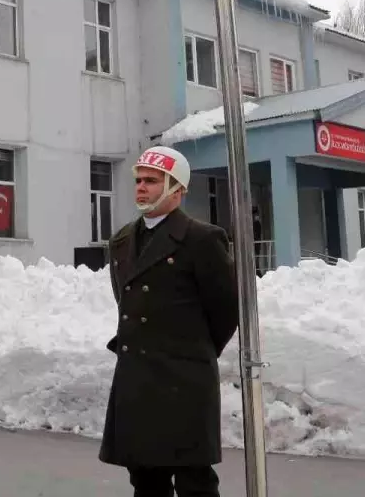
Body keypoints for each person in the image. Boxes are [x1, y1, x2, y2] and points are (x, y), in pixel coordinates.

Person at [99, 146, 239, 497]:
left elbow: (225, 311)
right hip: (138, 379)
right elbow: (126, 301)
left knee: (195, 480)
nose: (141, 188)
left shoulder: (202, 239)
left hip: (184, 379)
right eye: (139, 181)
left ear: (177, 188)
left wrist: (190, 351)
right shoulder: (121, 240)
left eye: (152, 181)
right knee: (145, 480)